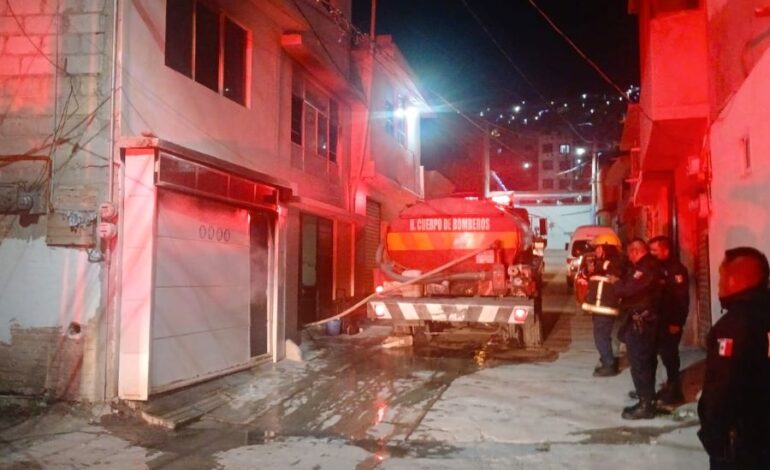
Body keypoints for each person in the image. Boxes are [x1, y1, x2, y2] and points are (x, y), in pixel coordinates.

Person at [698, 247, 770, 469]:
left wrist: (712, 437)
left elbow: (721, 389)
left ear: (736, 279)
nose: (718, 283)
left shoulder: (733, 327)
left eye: (721, 276)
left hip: (745, 442)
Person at [612, 238, 664, 419]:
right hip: (644, 322)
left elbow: (627, 289)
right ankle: (647, 397)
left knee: (640, 363)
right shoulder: (647, 266)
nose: (629, 257)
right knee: (645, 362)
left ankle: (645, 405)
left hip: (643, 323)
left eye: (629, 253)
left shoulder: (646, 268)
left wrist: (616, 283)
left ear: (635, 251)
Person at [577, 232, 625, 377]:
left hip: (605, 308)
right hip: (601, 307)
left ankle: (608, 364)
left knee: (601, 337)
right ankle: (608, 359)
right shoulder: (604, 264)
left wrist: (602, 268)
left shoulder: (614, 263)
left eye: (598, 248)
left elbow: (614, 276)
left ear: (607, 248)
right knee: (604, 336)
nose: (596, 251)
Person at [649, 235, 690, 404]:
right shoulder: (659, 268)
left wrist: (677, 322)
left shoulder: (676, 270)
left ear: (665, 250)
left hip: (670, 322)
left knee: (670, 356)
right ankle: (667, 387)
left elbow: (681, 299)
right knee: (663, 355)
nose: (651, 253)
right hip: (659, 321)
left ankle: (675, 392)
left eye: (654, 250)